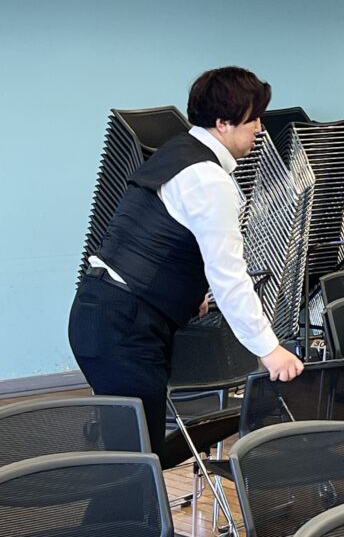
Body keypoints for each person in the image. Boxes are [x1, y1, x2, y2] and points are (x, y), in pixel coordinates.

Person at [68, 66, 304, 455]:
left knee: (136, 455)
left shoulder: (177, 154)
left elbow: (155, 238)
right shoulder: (207, 179)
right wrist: (269, 349)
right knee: (137, 461)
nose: (260, 129)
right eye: (253, 119)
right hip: (123, 327)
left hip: (105, 314)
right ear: (223, 123)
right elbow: (229, 277)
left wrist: (186, 293)